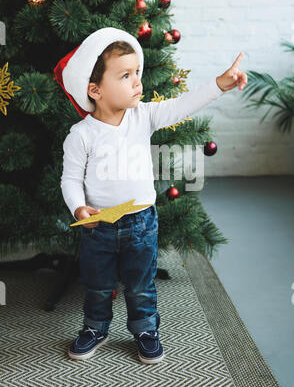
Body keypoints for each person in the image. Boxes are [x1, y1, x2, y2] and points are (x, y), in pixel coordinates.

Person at [53, 27, 247, 364]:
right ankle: (95, 328)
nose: (137, 82)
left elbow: (182, 105)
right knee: (97, 285)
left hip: (141, 222)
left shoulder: (143, 117)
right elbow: (70, 179)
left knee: (140, 284)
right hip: (97, 226)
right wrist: (79, 208)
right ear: (95, 89)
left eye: (137, 73)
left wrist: (220, 84)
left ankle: (145, 329)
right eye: (126, 75)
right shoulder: (81, 135)